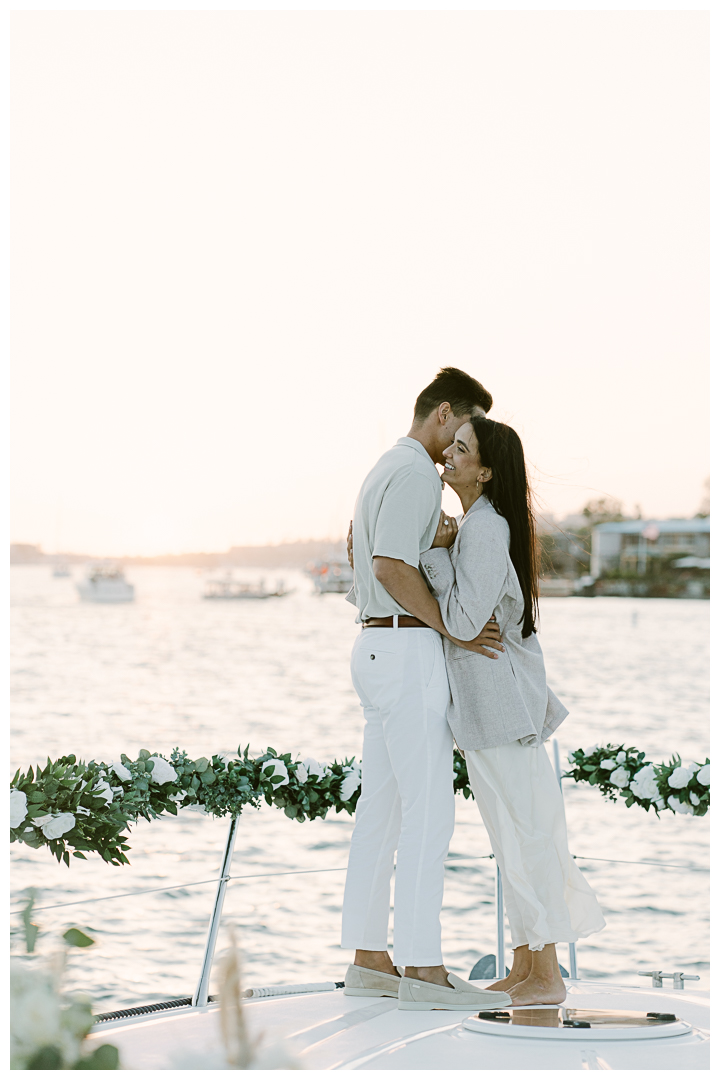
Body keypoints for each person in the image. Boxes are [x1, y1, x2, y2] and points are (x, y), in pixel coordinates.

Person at [341, 368, 516, 1012]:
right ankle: (423, 966)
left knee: (382, 811)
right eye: (461, 430)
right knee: (429, 814)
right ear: (443, 413)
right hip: (408, 647)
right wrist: (454, 630)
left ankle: (369, 957)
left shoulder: (383, 467)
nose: (458, 447)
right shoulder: (415, 472)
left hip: (373, 646)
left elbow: (362, 553)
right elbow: (389, 564)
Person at [419, 416, 605, 1007]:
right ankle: (526, 965)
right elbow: (475, 619)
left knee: (527, 839)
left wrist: (437, 554)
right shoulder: (483, 525)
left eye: (462, 448)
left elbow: (467, 622)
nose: (448, 453)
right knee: (511, 840)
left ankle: (547, 974)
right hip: (490, 711)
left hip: (502, 711)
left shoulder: (482, 529)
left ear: (486, 470)